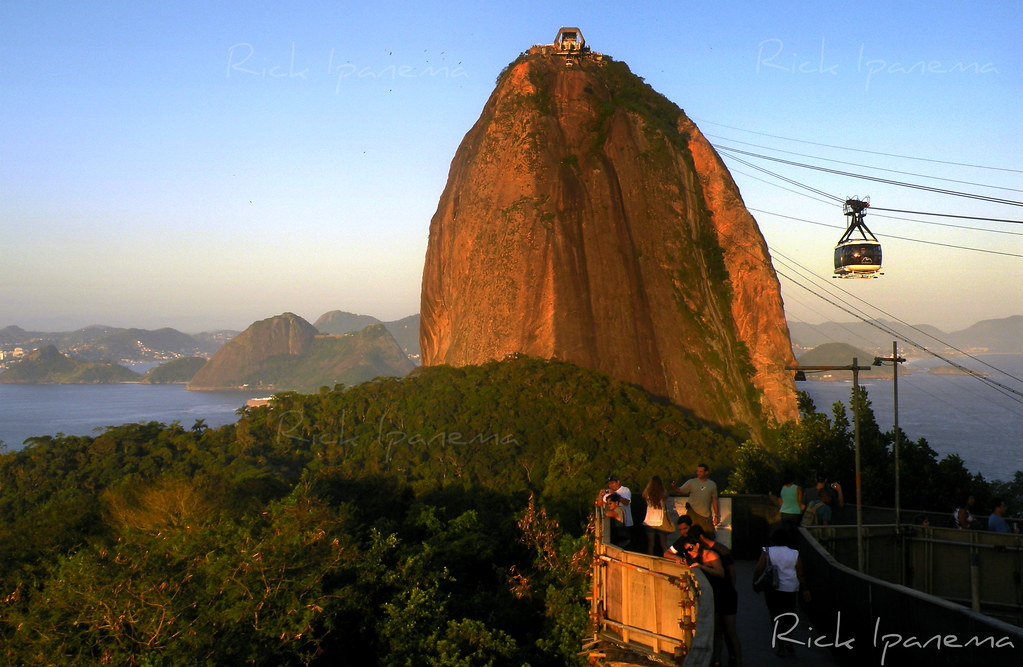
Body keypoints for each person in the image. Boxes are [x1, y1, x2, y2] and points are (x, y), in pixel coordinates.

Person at [682, 531, 741, 667]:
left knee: (730, 630)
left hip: (727, 595)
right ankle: (716, 660)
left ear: (697, 545)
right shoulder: (695, 558)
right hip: (716, 597)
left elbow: (720, 573)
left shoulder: (711, 555)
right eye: (687, 550)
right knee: (717, 630)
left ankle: (737, 660)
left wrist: (701, 566)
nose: (689, 552)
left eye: (690, 548)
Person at [753, 528, 810, 657]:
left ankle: (781, 648)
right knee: (790, 616)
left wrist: (755, 582)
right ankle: (789, 640)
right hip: (790, 588)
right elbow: (800, 573)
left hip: (773, 589)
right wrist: (805, 589)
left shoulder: (767, 552)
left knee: (776, 617)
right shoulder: (794, 553)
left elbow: (759, 569)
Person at [674, 463, 719, 537]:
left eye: (701, 471)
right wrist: (674, 487)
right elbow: (680, 490)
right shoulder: (691, 482)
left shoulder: (712, 485)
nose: (698, 473)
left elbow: (714, 500)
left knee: (707, 535)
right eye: (697, 471)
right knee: (690, 535)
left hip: (704, 514)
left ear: (706, 472)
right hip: (692, 513)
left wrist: (716, 516)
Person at [642, 475, 674, 555]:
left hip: (649, 522)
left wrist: (649, 485)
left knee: (651, 544)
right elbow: (667, 494)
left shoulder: (648, 495)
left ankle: (650, 560)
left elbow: (643, 494)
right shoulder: (662, 494)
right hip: (660, 522)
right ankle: (667, 559)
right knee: (663, 544)